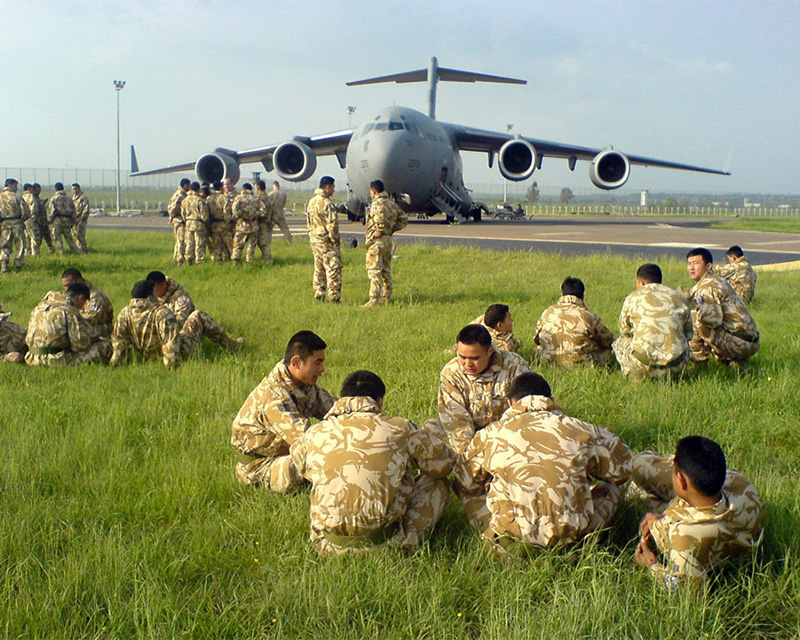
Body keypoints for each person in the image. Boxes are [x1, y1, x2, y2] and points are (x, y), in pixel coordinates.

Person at [457, 372, 631, 554]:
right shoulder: (582, 429)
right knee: (613, 487)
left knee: (468, 489)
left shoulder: (490, 434)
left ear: (511, 402)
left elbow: (464, 479)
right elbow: (624, 469)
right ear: (551, 400)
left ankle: (495, 536)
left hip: (513, 541)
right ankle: (583, 541)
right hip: (574, 540)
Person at [291, 370, 453, 555]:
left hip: (327, 545)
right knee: (438, 483)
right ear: (379, 401)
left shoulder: (314, 433)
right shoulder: (400, 428)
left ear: (343, 398)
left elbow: (300, 465)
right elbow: (443, 466)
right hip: (388, 545)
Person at [632, 436, 764, 591]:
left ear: (680, 480)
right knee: (640, 477)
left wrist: (651, 565)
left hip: (689, 522)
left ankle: (636, 489)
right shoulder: (741, 485)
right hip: (702, 502)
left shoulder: (683, 540)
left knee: (639, 481)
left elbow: (681, 588)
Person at [438, 323, 529, 530]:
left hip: (509, 439)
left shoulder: (514, 366)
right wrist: (477, 466)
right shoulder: (451, 373)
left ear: (490, 351)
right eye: (462, 357)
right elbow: (458, 428)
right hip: (473, 444)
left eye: (474, 358)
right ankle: (490, 524)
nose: (467, 364)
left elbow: (526, 414)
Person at [231, 330, 334, 492]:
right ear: (297, 363)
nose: (322, 369)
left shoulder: (303, 383)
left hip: (283, 455)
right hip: (259, 468)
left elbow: (335, 410)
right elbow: (307, 441)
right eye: (317, 362)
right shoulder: (274, 397)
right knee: (329, 461)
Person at [110, 279, 242, 370]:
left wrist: (115, 364)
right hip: (180, 352)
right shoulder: (161, 313)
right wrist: (173, 369)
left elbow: (119, 342)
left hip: (146, 356)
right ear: (151, 295)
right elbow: (170, 343)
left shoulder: (125, 313)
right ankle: (230, 345)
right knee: (198, 316)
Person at [612, 263, 693, 381]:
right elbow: (689, 334)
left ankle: (633, 374)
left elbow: (625, 329)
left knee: (620, 342)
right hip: (675, 366)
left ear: (641, 282)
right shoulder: (679, 298)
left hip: (642, 365)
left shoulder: (632, 298)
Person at [686, 248, 759, 366]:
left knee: (695, 319)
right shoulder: (716, 280)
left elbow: (712, 321)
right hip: (749, 340)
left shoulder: (707, 287)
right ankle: (736, 363)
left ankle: (699, 363)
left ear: (709, 266)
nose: (691, 267)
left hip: (740, 343)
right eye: (689, 264)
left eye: (696, 263)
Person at [534, 276, 614, 368]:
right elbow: (608, 340)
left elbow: (537, 339)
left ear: (562, 294)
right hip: (580, 365)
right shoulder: (590, 316)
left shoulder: (547, 312)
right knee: (602, 347)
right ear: (582, 296)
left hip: (548, 362)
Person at [25, 283, 112, 366]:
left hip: (32, 357)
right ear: (80, 298)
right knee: (105, 346)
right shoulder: (69, 310)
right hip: (55, 360)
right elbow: (79, 345)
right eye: (85, 302)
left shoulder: (39, 307)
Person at [362, 179, 407, 307]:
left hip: (377, 241)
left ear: (374, 191)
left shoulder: (377, 204)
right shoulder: (391, 204)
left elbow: (379, 217)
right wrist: (391, 230)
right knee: (386, 269)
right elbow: (403, 219)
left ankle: (374, 298)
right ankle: (386, 296)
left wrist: (380, 230)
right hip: (387, 240)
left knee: (374, 269)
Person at [306, 176, 342, 302]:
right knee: (333, 267)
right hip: (325, 240)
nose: (334, 190)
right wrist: (335, 241)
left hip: (314, 239)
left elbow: (309, 221)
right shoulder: (327, 204)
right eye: (333, 187)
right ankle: (334, 296)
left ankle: (319, 293)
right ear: (327, 187)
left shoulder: (312, 201)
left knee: (319, 267)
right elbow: (332, 225)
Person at [60, 268, 114, 341]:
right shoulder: (71, 294)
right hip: (81, 326)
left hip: (99, 328)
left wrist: (73, 318)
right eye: (64, 286)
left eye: (68, 285)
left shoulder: (94, 295)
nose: (66, 289)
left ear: (79, 281)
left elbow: (91, 318)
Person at [0, 178, 30, 272]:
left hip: (4, 224)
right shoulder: (17, 197)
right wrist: (22, 219)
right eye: (15, 185)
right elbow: (26, 212)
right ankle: (18, 264)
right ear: (10, 185)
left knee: (4, 245)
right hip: (17, 223)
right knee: (20, 244)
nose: (16, 188)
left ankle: (4, 263)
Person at [231, 183, 263, 263]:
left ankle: (235, 261)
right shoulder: (256, 199)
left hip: (242, 225)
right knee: (251, 246)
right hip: (253, 225)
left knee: (238, 245)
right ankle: (249, 261)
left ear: (243, 189)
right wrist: (254, 215)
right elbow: (263, 211)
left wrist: (242, 216)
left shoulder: (238, 198)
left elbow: (234, 210)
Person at [181, 182, 210, 265]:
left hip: (188, 223)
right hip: (198, 224)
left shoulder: (185, 200)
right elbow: (204, 215)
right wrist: (206, 223)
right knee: (199, 244)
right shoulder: (199, 200)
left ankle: (189, 259)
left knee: (189, 243)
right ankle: (199, 261)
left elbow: (183, 213)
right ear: (198, 189)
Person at [22, 183, 54, 255]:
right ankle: (35, 254)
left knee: (27, 238)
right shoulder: (31, 196)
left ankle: (28, 253)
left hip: (25, 220)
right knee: (35, 238)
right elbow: (34, 208)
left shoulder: (22, 197)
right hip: (35, 220)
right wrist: (34, 217)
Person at [48, 182, 79, 253]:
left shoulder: (54, 199)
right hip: (67, 220)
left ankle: (61, 252)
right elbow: (73, 211)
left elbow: (53, 211)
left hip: (57, 220)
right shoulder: (69, 199)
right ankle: (76, 251)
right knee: (69, 238)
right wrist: (73, 221)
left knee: (57, 238)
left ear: (56, 189)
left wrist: (49, 220)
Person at [167, 178, 191, 265]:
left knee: (178, 240)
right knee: (181, 240)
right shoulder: (180, 195)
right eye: (188, 185)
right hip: (179, 220)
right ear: (185, 185)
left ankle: (177, 257)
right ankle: (179, 260)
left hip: (178, 219)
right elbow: (174, 207)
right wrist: (172, 216)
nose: (189, 187)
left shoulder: (178, 193)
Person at [207, 181, 232, 262]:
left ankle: (218, 260)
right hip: (223, 224)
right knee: (229, 244)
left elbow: (206, 212)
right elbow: (227, 211)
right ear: (221, 187)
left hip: (214, 224)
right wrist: (228, 222)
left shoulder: (209, 198)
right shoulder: (224, 198)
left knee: (216, 244)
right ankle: (232, 259)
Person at [71, 183, 90, 253]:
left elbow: (86, 209)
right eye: (73, 189)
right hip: (74, 220)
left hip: (81, 220)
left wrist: (82, 219)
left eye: (76, 189)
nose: (74, 191)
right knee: (75, 235)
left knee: (80, 236)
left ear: (79, 189)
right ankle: (78, 249)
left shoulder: (83, 198)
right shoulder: (73, 198)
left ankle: (84, 250)